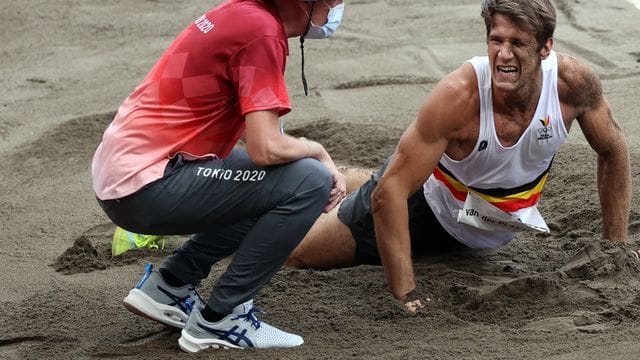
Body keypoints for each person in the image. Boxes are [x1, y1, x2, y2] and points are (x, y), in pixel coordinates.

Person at [286, 0, 631, 315]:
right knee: (298, 254)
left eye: (518, 43)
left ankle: (331, 173)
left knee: (398, 174)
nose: (504, 54)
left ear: (545, 48)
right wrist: (406, 294)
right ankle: (287, 181)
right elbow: (388, 195)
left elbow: (613, 149)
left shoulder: (573, 85)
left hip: (478, 215)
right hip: (429, 210)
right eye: (496, 40)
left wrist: (614, 246)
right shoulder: (458, 97)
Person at [91, 0, 347, 352]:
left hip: (124, 174)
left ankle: (170, 285)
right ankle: (221, 320)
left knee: (287, 178)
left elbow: (253, 132)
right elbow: (265, 148)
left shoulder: (239, 12)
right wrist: (318, 152)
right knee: (310, 181)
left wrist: (297, 155)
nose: (337, 10)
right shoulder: (263, 33)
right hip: (147, 184)